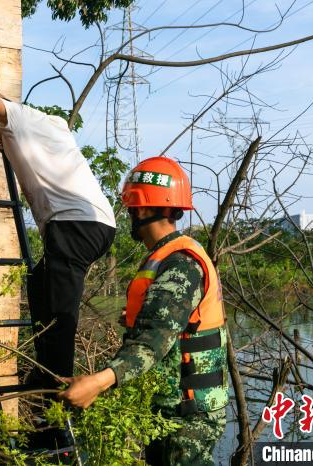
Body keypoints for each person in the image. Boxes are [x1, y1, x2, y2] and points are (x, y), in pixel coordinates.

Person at [0, 82, 116, 391]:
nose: (1, 144)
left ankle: (55, 391)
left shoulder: (17, 121)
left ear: (2, 123)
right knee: (40, 284)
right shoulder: (46, 122)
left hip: (75, 225)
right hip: (93, 223)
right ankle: (46, 372)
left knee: (59, 312)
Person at [59, 156, 229, 466]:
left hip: (187, 417)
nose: (129, 215)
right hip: (176, 409)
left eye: (131, 208)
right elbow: (170, 323)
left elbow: (154, 341)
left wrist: (99, 382)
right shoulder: (169, 255)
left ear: (145, 209)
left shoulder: (180, 265)